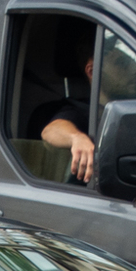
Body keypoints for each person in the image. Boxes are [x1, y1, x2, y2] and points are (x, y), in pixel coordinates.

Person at [22, 32, 96, 183]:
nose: (133, 71)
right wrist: (77, 138)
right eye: (122, 64)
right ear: (92, 71)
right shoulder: (81, 111)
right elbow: (51, 130)